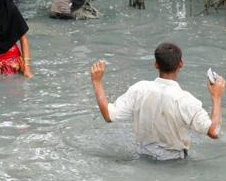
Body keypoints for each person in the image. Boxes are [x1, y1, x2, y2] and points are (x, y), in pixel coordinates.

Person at [90, 43, 225, 160]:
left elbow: (108, 115)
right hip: (175, 164)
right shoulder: (186, 101)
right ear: (181, 64)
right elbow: (214, 132)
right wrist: (216, 96)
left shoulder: (139, 89)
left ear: (156, 64)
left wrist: (97, 82)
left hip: (142, 156)